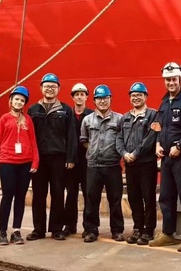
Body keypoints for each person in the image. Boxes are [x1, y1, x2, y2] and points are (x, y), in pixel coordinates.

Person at [149, 62, 181, 252]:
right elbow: (158, 126)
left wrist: (180, 146)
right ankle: (167, 233)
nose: (171, 83)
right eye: (167, 80)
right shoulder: (164, 102)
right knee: (166, 196)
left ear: (180, 79)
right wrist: (157, 144)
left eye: (173, 79)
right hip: (166, 158)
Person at [26, 73, 77, 241]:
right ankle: (38, 230)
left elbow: (71, 136)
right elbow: (28, 136)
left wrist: (70, 158)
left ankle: (56, 229)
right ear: (41, 88)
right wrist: (30, 159)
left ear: (58, 89)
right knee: (39, 194)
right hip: (39, 159)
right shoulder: (33, 110)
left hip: (58, 158)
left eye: (53, 86)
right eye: (47, 86)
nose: (50, 89)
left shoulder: (66, 110)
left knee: (58, 193)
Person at [0, 85, 39, 245]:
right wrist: (9, 150)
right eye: (17, 99)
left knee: (20, 197)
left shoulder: (28, 120)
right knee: (7, 196)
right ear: (11, 100)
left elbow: (33, 141)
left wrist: (35, 161)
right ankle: (2, 231)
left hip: (25, 164)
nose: (19, 102)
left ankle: (16, 231)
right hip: (8, 163)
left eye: (22, 100)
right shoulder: (4, 119)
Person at [80, 85, 125, 243]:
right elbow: (84, 140)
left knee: (115, 199)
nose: (102, 101)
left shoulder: (119, 119)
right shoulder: (87, 120)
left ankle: (117, 230)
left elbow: (122, 140)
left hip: (112, 166)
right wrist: (94, 152)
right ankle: (91, 230)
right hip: (93, 166)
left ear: (110, 99)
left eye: (105, 98)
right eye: (99, 98)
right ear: (94, 101)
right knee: (91, 199)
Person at [116, 82, 158, 245]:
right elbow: (119, 137)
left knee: (148, 197)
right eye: (133, 95)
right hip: (130, 164)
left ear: (146, 96)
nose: (136, 98)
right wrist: (124, 153)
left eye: (139, 95)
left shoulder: (153, 115)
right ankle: (137, 228)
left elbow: (151, 137)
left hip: (147, 164)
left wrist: (135, 153)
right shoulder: (125, 117)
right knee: (134, 198)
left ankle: (148, 230)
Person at [64, 83, 93, 237]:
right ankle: (70, 225)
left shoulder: (92, 115)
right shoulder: (67, 115)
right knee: (71, 195)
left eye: (82, 94)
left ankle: (88, 226)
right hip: (72, 161)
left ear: (87, 97)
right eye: (77, 94)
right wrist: (68, 158)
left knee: (89, 194)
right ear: (73, 97)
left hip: (88, 161)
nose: (79, 97)